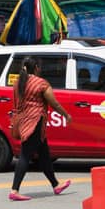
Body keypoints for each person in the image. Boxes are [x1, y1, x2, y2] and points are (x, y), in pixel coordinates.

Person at [8, 57, 73, 201]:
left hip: (23, 121)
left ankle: (55, 185)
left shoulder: (18, 82)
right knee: (25, 155)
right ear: (36, 68)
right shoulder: (41, 83)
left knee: (44, 154)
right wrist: (66, 115)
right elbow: (54, 103)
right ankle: (14, 189)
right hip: (35, 122)